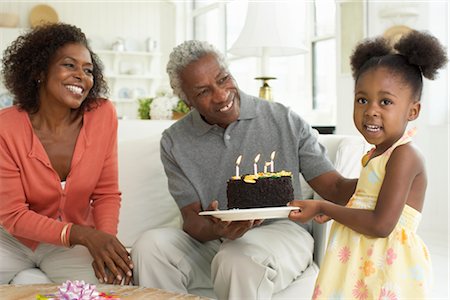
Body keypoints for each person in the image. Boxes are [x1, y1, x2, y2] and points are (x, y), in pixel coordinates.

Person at [131, 40, 356, 299]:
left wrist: (383, 173)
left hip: (283, 235)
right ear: (187, 101)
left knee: (237, 257)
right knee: (149, 247)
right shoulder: (174, 141)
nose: (221, 95)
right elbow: (192, 220)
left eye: (223, 79)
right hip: (215, 241)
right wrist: (217, 229)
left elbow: (334, 187)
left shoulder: (283, 119)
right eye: (203, 92)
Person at [288, 30, 447, 299]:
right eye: (362, 100)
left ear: (413, 111)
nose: (371, 110)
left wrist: (324, 207)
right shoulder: (377, 154)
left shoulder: (405, 155)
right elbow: (360, 193)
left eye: (385, 102)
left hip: (387, 268)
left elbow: (381, 224)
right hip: (360, 261)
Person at [0, 23, 133, 285]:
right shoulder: (6, 127)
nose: (81, 76)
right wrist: (84, 235)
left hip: (68, 245)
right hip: (11, 239)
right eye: (69, 65)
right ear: (39, 71)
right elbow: (13, 214)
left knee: (114, 283)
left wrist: (103, 240)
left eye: (88, 70)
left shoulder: (102, 115)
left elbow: (106, 193)